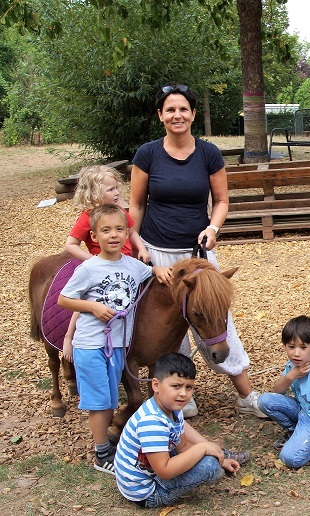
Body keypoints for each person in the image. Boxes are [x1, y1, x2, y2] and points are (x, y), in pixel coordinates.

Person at [129, 83, 265, 419]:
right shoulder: (147, 154)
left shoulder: (208, 153)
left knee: (218, 319)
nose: (177, 115)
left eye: (183, 109)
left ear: (192, 114)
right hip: (157, 254)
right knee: (166, 330)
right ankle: (179, 394)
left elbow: (221, 201)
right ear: (160, 115)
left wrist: (213, 228)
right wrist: (137, 244)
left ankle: (246, 395)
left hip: (198, 255)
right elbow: (135, 205)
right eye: (170, 109)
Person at [58, 203, 171, 475]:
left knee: (110, 399)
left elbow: (150, 274)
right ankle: (101, 454)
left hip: (118, 345)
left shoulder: (133, 266)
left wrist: (156, 270)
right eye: (106, 230)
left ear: (127, 232)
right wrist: (93, 307)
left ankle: (109, 447)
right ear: (94, 237)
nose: (114, 235)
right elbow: (64, 299)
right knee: (100, 402)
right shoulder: (89, 268)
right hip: (91, 344)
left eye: (120, 229)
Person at [114, 353, 245, 508]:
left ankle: (221, 455)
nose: (183, 393)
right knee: (211, 467)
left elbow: (182, 446)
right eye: (176, 386)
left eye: (188, 387)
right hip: (147, 492)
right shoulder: (152, 421)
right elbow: (164, 471)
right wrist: (204, 448)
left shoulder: (170, 407)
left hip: (153, 468)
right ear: (155, 385)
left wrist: (219, 458)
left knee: (211, 459)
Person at [62, 165, 150, 363]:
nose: (117, 192)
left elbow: (132, 232)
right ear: (94, 193)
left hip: (126, 264)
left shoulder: (119, 212)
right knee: (87, 301)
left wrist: (142, 249)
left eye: (116, 188)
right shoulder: (87, 218)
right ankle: (69, 337)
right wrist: (93, 261)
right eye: (110, 189)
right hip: (102, 267)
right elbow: (70, 245)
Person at [257, 316, 310, 470]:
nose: (296, 353)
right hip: (303, 410)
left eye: (303, 347)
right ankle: (297, 433)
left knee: (290, 458)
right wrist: (291, 375)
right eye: (291, 347)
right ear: (284, 346)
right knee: (264, 401)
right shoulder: (294, 364)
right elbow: (277, 392)